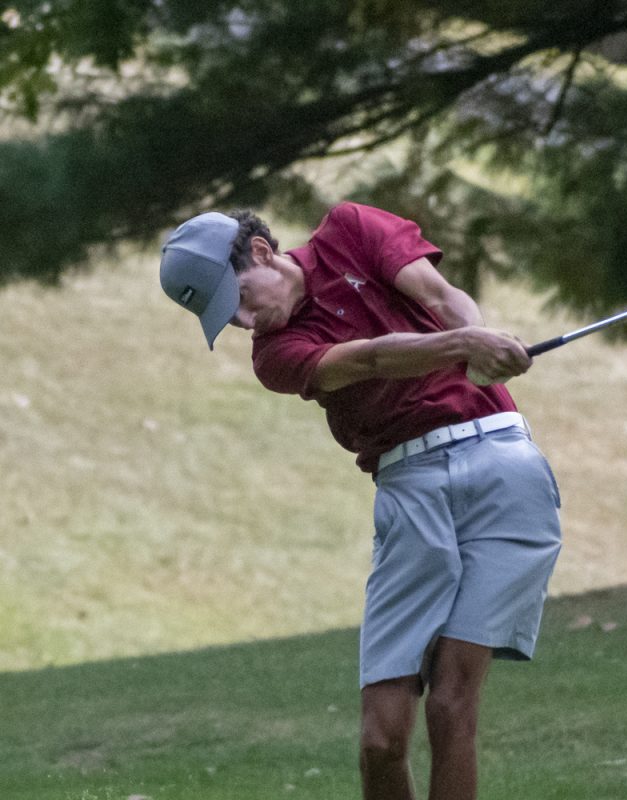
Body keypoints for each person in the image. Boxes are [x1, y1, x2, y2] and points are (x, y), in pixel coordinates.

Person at [158, 202, 563, 800]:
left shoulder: (351, 229)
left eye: (241, 298)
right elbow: (372, 357)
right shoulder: (275, 357)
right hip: (409, 490)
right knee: (379, 741)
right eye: (229, 318)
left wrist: (479, 341)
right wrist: (464, 344)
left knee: (452, 706)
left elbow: (441, 296)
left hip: (503, 468)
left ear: (264, 253)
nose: (246, 321)